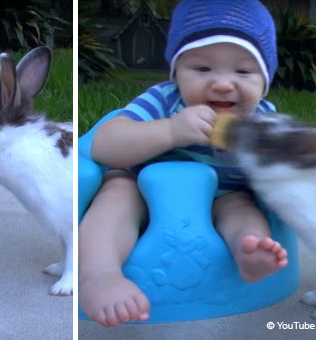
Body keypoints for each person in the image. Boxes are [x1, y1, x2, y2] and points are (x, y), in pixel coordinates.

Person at [79, 0, 289, 327]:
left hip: (226, 194)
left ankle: (251, 255)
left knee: (243, 210)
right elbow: (104, 145)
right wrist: (171, 130)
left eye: (244, 71)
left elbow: (287, 170)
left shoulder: (263, 119)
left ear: (264, 82)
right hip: (141, 187)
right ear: (176, 72)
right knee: (116, 192)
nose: (222, 83)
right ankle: (99, 275)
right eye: (202, 69)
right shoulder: (165, 100)